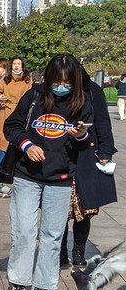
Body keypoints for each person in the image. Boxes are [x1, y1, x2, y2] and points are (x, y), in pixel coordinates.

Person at [3, 53, 94, 290]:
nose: (61, 86)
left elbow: (87, 142)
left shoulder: (82, 102)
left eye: (67, 81)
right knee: (23, 231)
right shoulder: (34, 96)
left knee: (53, 234)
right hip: (27, 175)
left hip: (61, 178)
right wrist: (27, 144)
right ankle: (19, 281)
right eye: (57, 81)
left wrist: (79, 135)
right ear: (49, 78)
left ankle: (46, 284)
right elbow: (11, 126)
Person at [60, 67, 117, 269]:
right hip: (62, 156)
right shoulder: (55, 91)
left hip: (87, 155)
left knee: (86, 208)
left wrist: (105, 153)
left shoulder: (93, 90)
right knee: (60, 210)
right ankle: (60, 252)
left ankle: (78, 250)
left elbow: (103, 123)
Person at [0, 57, 31, 174]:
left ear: (22, 66)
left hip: (20, 112)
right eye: (14, 64)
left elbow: (31, 96)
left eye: (19, 64)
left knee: (15, 140)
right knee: (0, 139)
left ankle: (13, 165)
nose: (16, 66)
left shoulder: (27, 80)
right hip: (4, 111)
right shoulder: (5, 78)